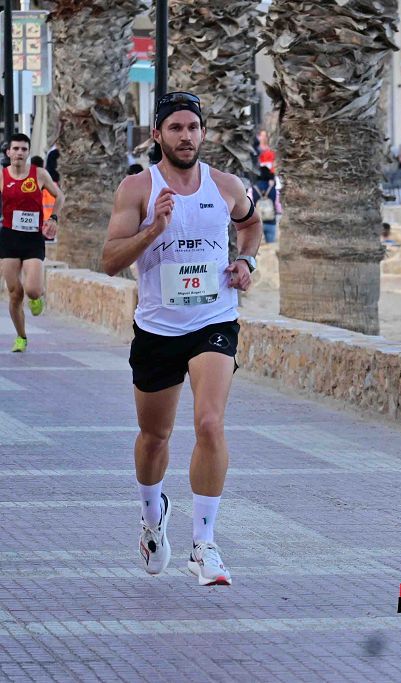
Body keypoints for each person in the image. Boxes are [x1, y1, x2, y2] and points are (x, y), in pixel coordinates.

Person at [100, 91, 262, 586]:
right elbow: (109, 260)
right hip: (157, 328)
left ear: (203, 133)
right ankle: (152, 518)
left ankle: (205, 544)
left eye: (193, 127)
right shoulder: (137, 188)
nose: (186, 136)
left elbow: (252, 224)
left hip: (213, 321)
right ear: (157, 135)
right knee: (155, 438)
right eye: (175, 128)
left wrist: (246, 260)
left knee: (210, 422)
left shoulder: (227, 185)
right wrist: (154, 229)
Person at [2, 133, 65, 352]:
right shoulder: (1, 176)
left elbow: (60, 196)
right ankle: (21, 337)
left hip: (32, 238)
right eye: (15, 149)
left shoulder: (38, 174)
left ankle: (37, 298)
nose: (19, 153)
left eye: (23, 149)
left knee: (32, 290)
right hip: (9, 238)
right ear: (8, 152)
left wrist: (53, 218)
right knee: (14, 292)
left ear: (28, 152)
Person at [252, 165, 278, 243]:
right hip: (271, 220)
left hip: (258, 222)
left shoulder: (254, 187)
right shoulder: (272, 187)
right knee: (270, 248)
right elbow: (275, 201)